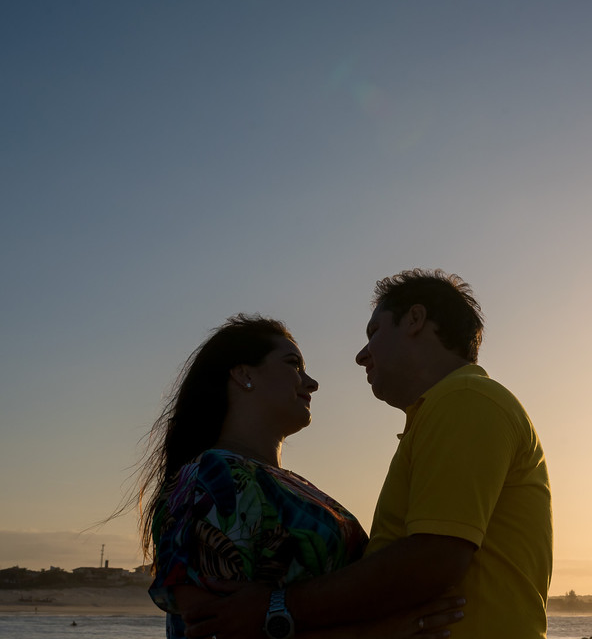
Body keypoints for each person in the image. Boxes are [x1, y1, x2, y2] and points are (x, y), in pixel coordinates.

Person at [182, 270, 552, 639]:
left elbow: (434, 558)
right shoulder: (444, 411)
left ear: (415, 319)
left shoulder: (465, 399)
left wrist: (277, 608)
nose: (361, 356)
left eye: (373, 332)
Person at [137, 314, 464, 639]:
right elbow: (209, 629)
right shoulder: (212, 476)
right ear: (244, 374)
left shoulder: (290, 484)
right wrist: (376, 633)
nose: (312, 383)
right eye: (294, 364)